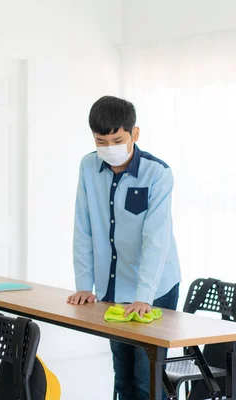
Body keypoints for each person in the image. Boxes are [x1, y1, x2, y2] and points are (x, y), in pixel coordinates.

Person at [67, 95, 181, 399]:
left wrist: (145, 296)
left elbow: (156, 239)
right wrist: (83, 285)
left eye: (116, 139)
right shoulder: (89, 167)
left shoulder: (158, 174)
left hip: (154, 288)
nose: (108, 148)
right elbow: (83, 228)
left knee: (147, 380)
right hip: (114, 289)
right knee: (123, 379)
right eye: (100, 141)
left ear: (135, 133)